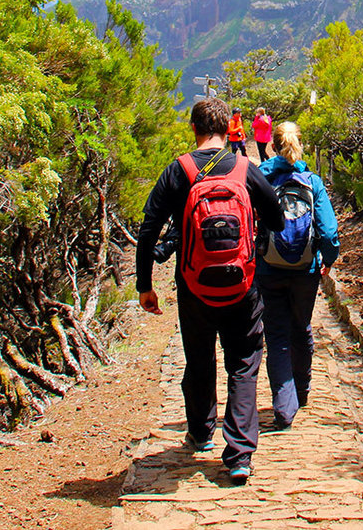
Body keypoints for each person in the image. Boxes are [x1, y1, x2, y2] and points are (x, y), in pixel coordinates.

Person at [136, 97, 284, 484]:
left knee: (199, 358)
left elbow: (148, 229)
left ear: (194, 129)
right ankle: (239, 454)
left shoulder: (178, 171)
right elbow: (278, 218)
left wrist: (145, 285)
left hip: (194, 287)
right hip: (243, 285)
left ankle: (201, 431)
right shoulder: (244, 168)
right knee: (244, 362)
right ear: (227, 129)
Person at [255, 121, 340, 430]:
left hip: (269, 267)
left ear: (273, 146)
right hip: (306, 269)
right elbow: (329, 232)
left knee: (276, 334)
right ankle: (301, 392)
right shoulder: (311, 180)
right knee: (301, 326)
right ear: (299, 144)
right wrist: (326, 260)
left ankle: (284, 406)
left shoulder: (262, 176)